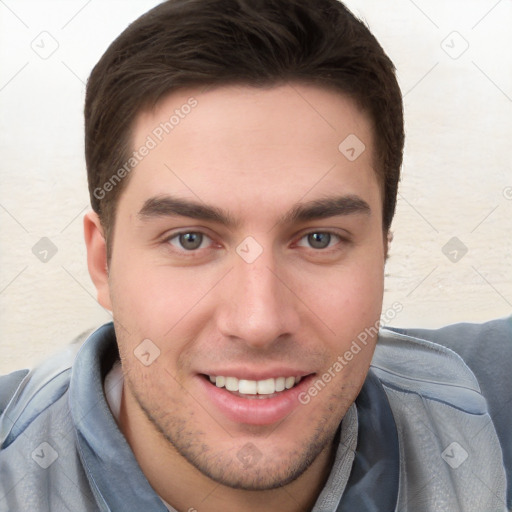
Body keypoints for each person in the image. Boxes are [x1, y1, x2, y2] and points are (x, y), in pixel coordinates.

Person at [0, 0, 510, 510]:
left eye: (319, 239)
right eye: (190, 240)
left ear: (382, 250)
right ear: (101, 262)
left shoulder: (491, 407)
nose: (259, 321)